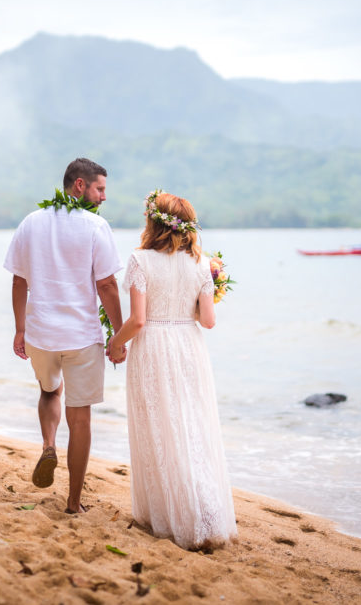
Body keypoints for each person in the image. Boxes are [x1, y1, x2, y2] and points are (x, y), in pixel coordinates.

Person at [107, 190, 237, 549]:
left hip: (153, 348)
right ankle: (207, 515)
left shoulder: (139, 260)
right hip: (189, 347)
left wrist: (116, 343)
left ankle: (167, 515)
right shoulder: (201, 264)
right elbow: (208, 321)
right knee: (192, 425)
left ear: (152, 221)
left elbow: (138, 320)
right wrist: (191, 304)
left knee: (160, 429)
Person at [3, 158, 125, 514]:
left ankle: (47, 444)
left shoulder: (31, 222)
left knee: (48, 390)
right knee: (81, 416)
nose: (103, 197)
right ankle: (73, 503)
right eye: (100, 189)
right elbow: (106, 284)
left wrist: (20, 328)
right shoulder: (95, 227)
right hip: (82, 337)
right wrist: (119, 334)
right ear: (79, 186)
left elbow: (18, 280)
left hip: (41, 333)